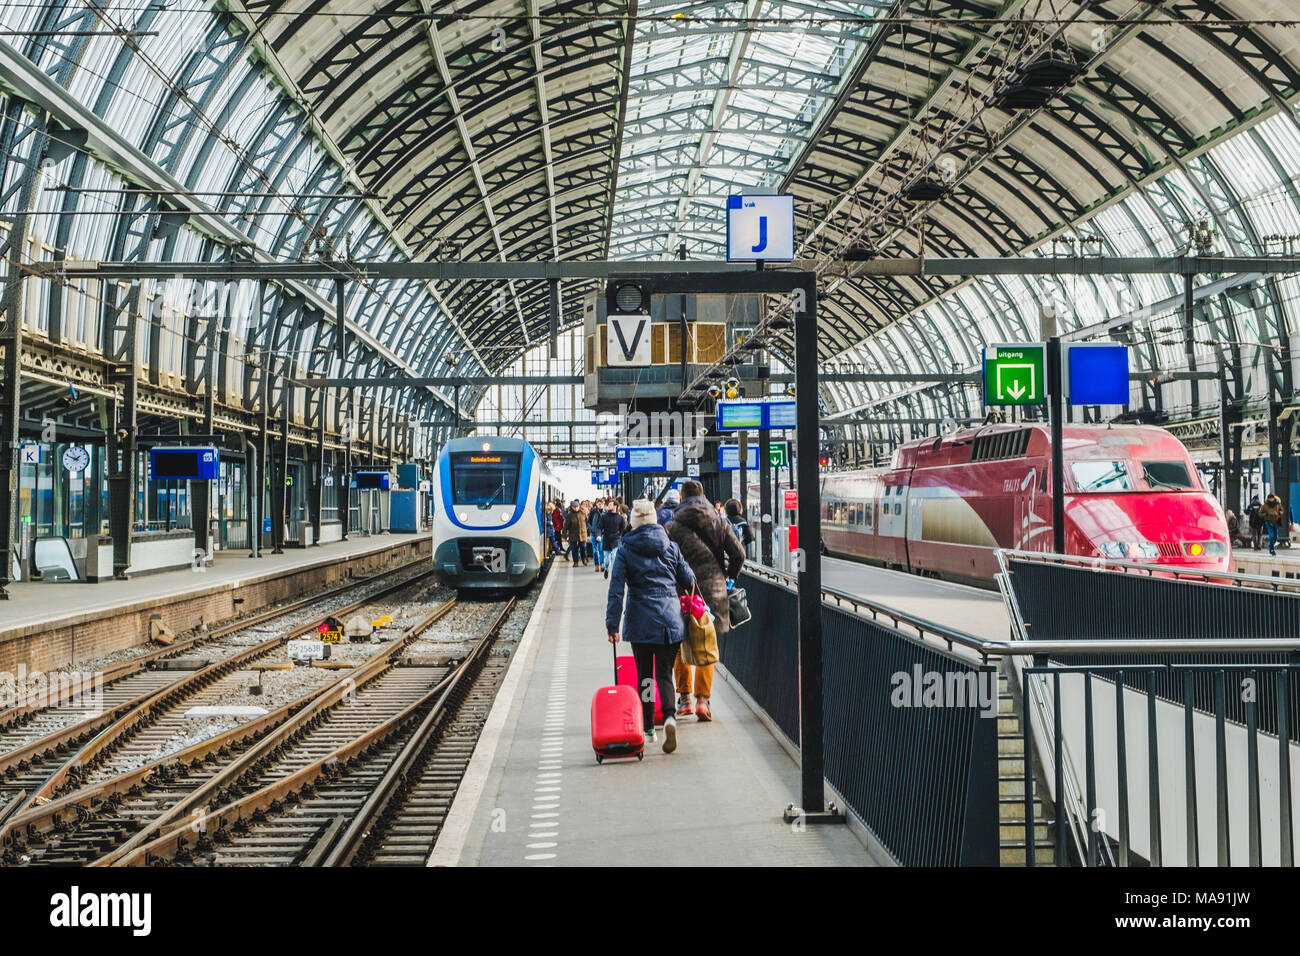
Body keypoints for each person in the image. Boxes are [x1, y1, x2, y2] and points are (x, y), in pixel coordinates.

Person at [605, 499, 696, 753]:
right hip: (670, 620)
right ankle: (669, 717)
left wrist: (612, 624)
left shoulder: (625, 549)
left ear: (633, 522)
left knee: (645, 675)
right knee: (664, 673)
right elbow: (689, 579)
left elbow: (616, 590)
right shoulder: (671, 546)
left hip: (641, 619)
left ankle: (647, 728)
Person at [667, 480, 745, 722]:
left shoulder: (671, 526)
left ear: (681, 499)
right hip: (713, 591)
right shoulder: (720, 522)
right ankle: (703, 700)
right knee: (707, 644)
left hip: (682, 591)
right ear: (703, 497)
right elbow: (739, 554)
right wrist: (729, 577)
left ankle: (685, 699)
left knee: (680, 644)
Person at [598, 497, 627, 579]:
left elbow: (623, 529)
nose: (608, 506)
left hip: (616, 539)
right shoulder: (603, 516)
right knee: (606, 560)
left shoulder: (620, 518)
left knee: (615, 556)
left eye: (610, 505)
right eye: (608, 505)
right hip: (606, 539)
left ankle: (614, 573)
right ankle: (606, 569)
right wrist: (599, 535)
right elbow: (599, 527)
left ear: (615, 506)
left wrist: (621, 537)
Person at [566, 500, 590, 566]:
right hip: (573, 535)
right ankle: (575, 562)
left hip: (583, 534)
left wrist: (589, 532)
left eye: (577, 506)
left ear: (579, 506)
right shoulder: (569, 515)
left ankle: (584, 559)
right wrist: (564, 536)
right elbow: (566, 526)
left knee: (583, 547)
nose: (576, 508)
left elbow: (587, 523)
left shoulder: (583, 513)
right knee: (574, 549)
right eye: (574, 507)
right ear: (572, 507)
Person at [588, 497, 605, 572]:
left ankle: (602, 564)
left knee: (601, 549)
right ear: (597, 504)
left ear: (603, 504)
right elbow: (588, 522)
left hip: (602, 533)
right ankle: (596, 565)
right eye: (599, 504)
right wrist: (591, 529)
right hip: (593, 533)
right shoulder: (593, 512)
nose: (600, 505)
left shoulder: (605, 512)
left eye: (601, 504)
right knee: (595, 551)